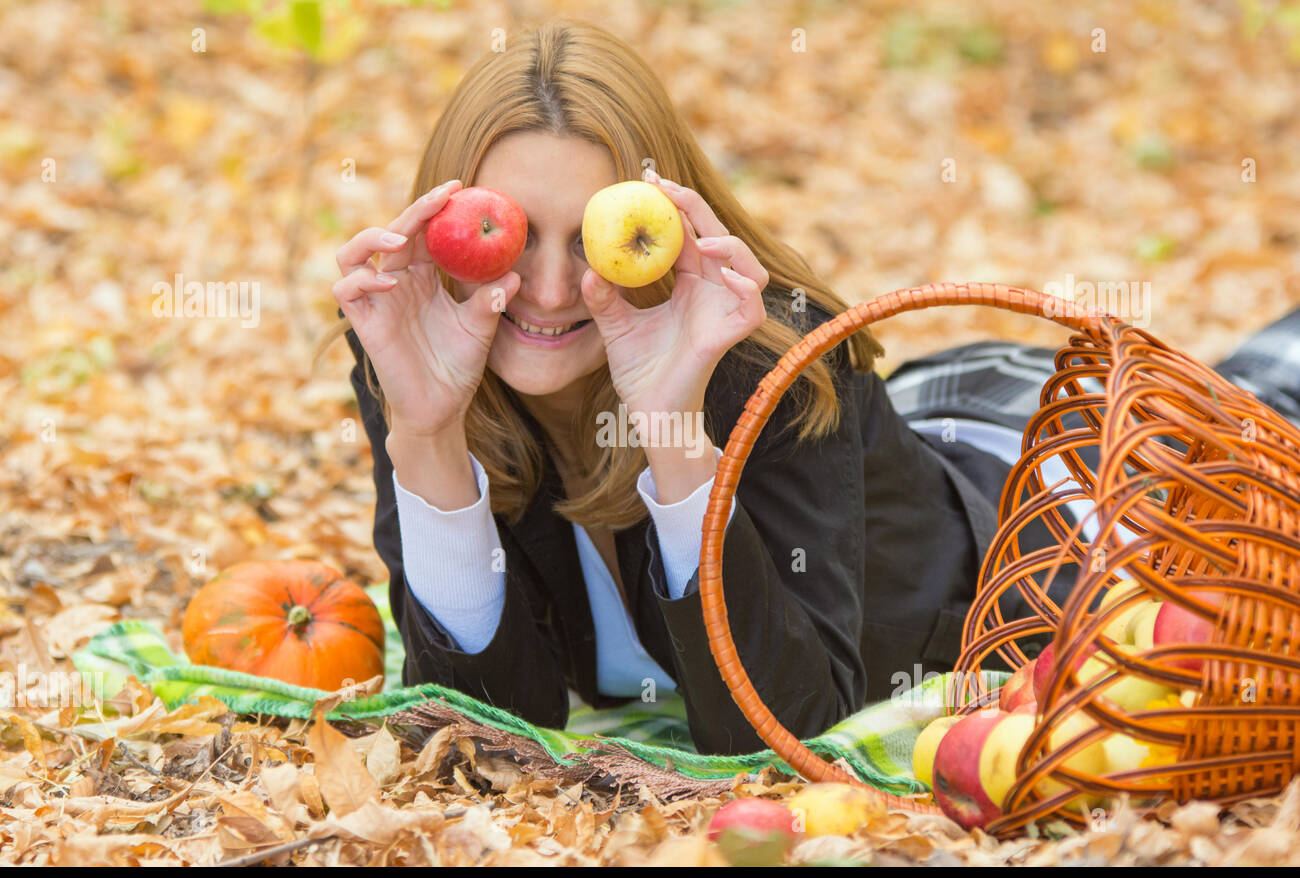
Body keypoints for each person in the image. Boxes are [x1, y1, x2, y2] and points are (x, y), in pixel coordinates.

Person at [314, 18, 1300, 756]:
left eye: (590, 238)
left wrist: (671, 425)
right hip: (903, 437)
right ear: (448, 230)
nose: (551, 286)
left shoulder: (758, 365)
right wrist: (427, 436)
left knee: (1266, 410)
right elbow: (486, 727)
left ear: (656, 223)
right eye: (514, 233)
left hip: (1049, 493)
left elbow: (782, 727)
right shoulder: (423, 359)